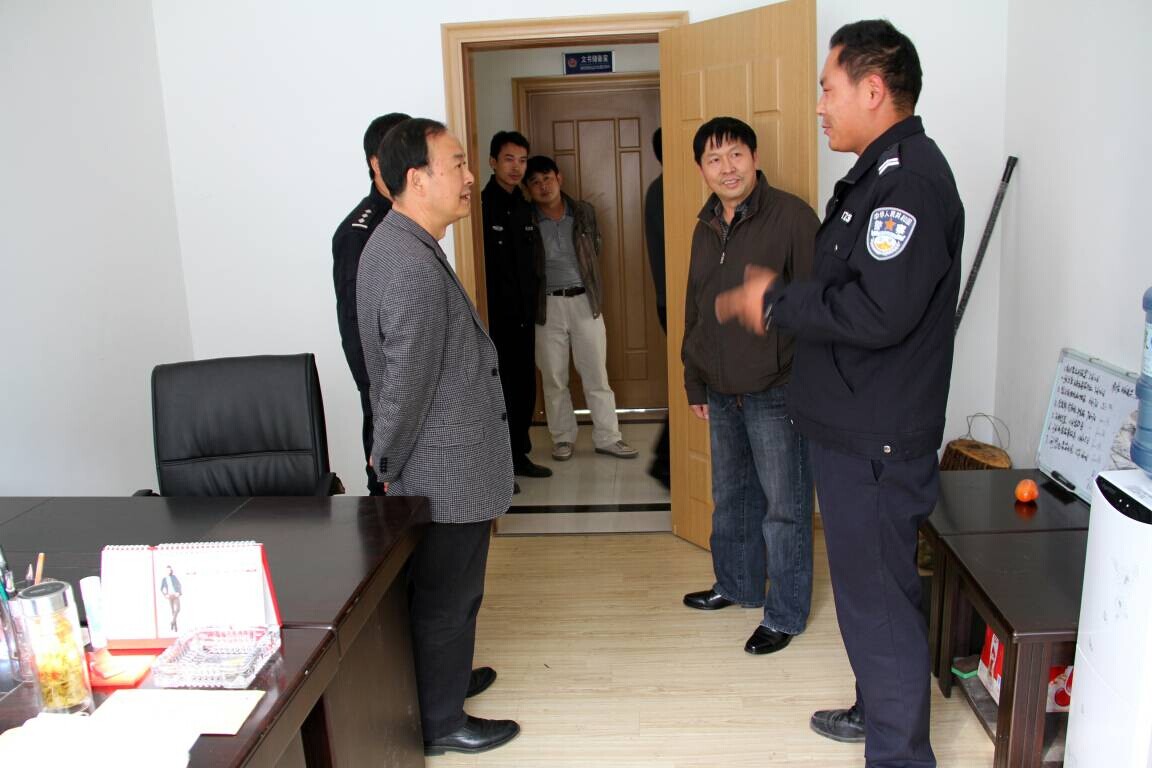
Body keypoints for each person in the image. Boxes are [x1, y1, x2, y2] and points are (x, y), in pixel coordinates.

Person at [716, 20, 964, 767]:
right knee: (869, 597)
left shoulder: (907, 183)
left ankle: (899, 755)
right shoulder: (876, 176)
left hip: (875, 438)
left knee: (878, 601)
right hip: (856, 425)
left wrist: (775, 300)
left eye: (828, 89)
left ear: (874, 89)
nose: (820, 106)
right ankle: (877, 711)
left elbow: (876, 312)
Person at [357, 118, 519, 756]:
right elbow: (405, 384)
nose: (471, 177)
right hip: (441, 467)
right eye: (457, 165)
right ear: (417, 179)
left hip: (438, 461)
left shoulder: (401, 241)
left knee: (441, 593)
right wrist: (386, 464)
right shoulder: (409, 264)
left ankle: (441, 681)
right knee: (449, 597)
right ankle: (441, 721)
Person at [680, 116, 816, 656]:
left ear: (755, 158)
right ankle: (737, 585)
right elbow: (695, 308)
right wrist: (694, 379)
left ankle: (785, 613)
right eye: (714, 159)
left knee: (784, 508)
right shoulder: (704, 225)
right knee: (732, 498)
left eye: (735, 154)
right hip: (720, 388)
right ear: (701, 169)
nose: (727, 168)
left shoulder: (793, 217)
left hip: (777, 388)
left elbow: (818, 301)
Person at [524, 155, 637, 461]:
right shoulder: (527, 217)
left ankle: (608, 437)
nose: (543, 186)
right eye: (534, 182)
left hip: (585, 301)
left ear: (559, 178)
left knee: (596, 374)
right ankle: (562, 438)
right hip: (546, 306)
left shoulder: (583, 212)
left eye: (547, 178)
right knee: (554, 377)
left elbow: (595, 248)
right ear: (528, 189)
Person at [331, 111, 410, 495]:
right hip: (387, 394)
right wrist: (381, 400)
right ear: (376, 163)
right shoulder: (359, 232)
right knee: (388, 494)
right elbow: (355, 328)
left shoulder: (409, 219)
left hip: (416, 387)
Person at [481, 131, 551, 480]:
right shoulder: (481, 206)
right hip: (495, 318)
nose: (516, 167)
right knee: (500, 390)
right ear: (493, 162)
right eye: (509, 159)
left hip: (525, 316)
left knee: (524, 387)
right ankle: (499, 463)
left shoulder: (524, 207)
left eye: (522, 161)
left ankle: (520, 454)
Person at [644, 128, 671, 488]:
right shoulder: (666, 190)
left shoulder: (660, 188)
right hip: (675, 303)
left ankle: (664, 459)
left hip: (670, 301)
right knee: (693, 380)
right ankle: (664, 460)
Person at [159, 565, 181, 632]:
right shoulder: (164, 579)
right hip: (170, 596)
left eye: (169, 570)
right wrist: (165, 595)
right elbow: (161, 589)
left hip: (175, 595)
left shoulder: (174, 577)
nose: (168, 571)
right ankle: (175, 626)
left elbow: (179, 584)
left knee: (178, 609)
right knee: (172, 611)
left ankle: (172, 622)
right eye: (167, 570)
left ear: (171, 570)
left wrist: (178, 592)